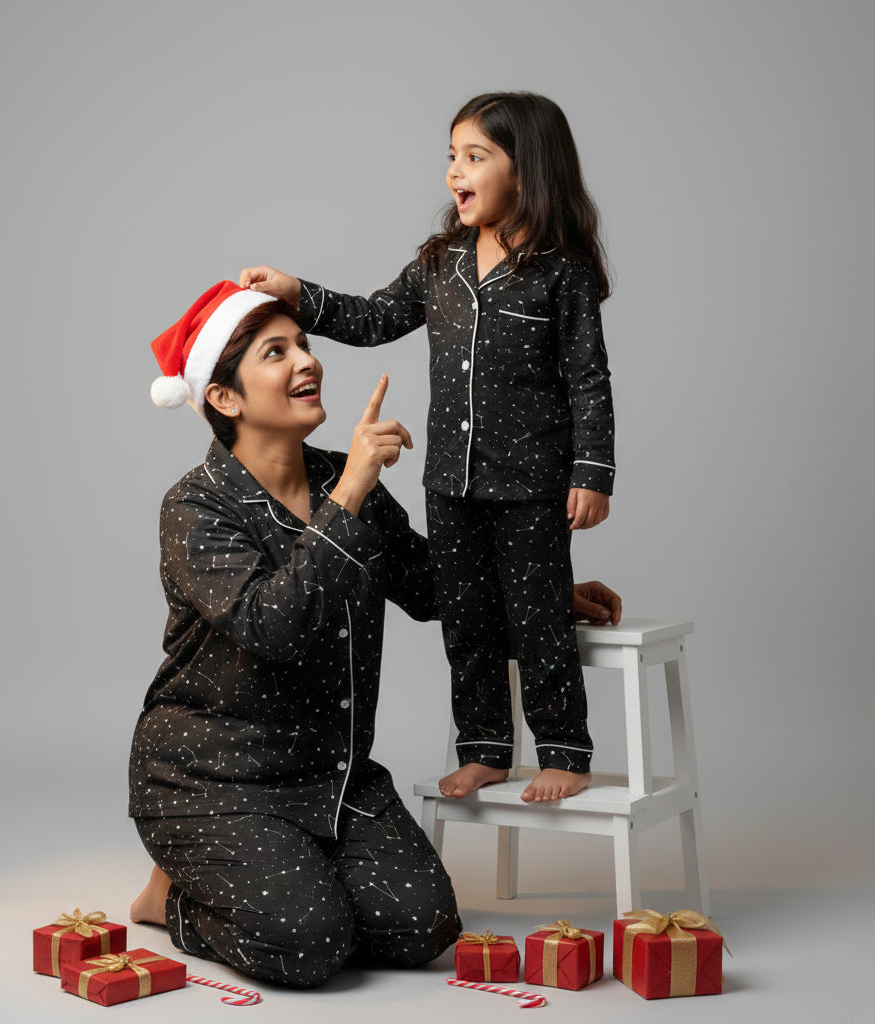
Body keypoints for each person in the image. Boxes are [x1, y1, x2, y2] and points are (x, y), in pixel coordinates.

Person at [130, 281, 622, 989]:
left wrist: (542, 597)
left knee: (424, 926)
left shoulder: (333, 473)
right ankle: (171, 896)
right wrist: (353, 492)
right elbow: (275, 625)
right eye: (277, 352)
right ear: (225, 398)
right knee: (308, 947)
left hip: (331, 776)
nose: (306, 361)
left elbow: (430, 586)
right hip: (214, 781)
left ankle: (286, 871)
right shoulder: (196, 507)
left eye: (303, 343)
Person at [240, 91, 615, 805]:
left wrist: (592, 472)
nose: (455, 171)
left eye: (475, 157)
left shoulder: (558, 272)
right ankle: (485, 749)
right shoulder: (441, 262)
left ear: (527, 170)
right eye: (452, 156)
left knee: (537, 621)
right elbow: (376, 316)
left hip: (532, 482)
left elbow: (587, 379)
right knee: (467, 619)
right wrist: (299, 293)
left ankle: (563, 749)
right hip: (449, 482)